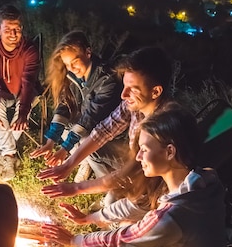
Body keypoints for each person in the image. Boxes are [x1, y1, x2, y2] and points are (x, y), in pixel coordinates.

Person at [41, 106, 229, 247]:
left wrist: (74, 240)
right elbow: (135, 208)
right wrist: (89, 218)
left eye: (144, 149)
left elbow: (118, 241)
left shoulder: (174, 214)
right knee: (122, 231)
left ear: (170, 152)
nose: (139, 156)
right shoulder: (202, 182)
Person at [38, 46, 174, 203]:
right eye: (124, 86)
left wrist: (77, 188)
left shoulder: (160, 126)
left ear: (155, 92)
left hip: (154, 184)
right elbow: (103, 131)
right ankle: (114, 191)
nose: (124, 95)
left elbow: (131, 171)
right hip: (135, 164)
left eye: (133, 89)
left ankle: (125, 199)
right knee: (89, 141)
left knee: (111, 204)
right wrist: (69, 164)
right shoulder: (134, 105)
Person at [30, 30, 123, 179]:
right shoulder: (73, 77)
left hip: (114, 138)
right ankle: (86, 162)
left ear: (88, 52)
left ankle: (110, 184)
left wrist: (65, 149)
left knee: (88, 140)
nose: (71, 68)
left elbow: (90, 118)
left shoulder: (107, 79)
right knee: (68, 126)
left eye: (74, 61)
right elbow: (65, 106)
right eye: (67, 64)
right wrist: (50, 142)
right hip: (93, 128)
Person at [0, 4, 41, 181]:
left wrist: (23, 113)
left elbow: (28, 83)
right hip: (2, 93)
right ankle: (10, 155)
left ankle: (7, 156)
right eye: (8, 29)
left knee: (23, 110)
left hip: (25, 91)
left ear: (21, 29)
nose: (13, 34)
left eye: (17, 29)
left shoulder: (29, 51)